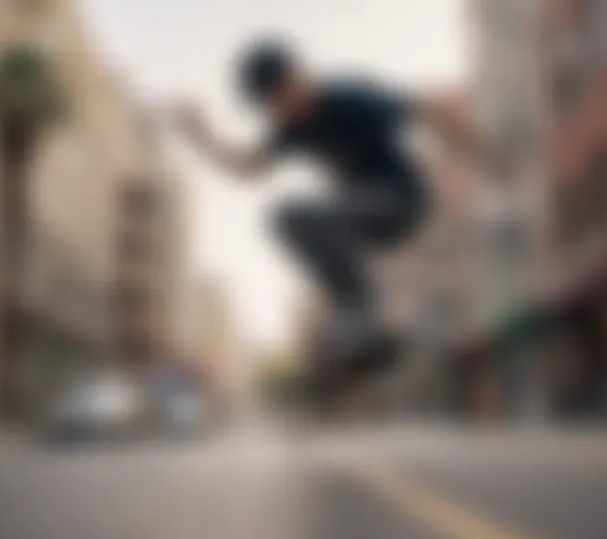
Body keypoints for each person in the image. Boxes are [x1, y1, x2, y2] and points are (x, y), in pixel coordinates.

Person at [171, 39, 512, 367]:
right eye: (271, 107)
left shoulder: (350, 97)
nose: (282, 111)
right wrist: (203, 136)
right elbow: (248, 168)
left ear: (297, 77)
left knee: (314, 213)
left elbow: (430, 107)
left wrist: (488, 158)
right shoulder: (290, 129)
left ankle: (360, 307)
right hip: (360, 217)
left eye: (282, 97)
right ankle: (362, 324)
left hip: (402, 200)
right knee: (287, 216)